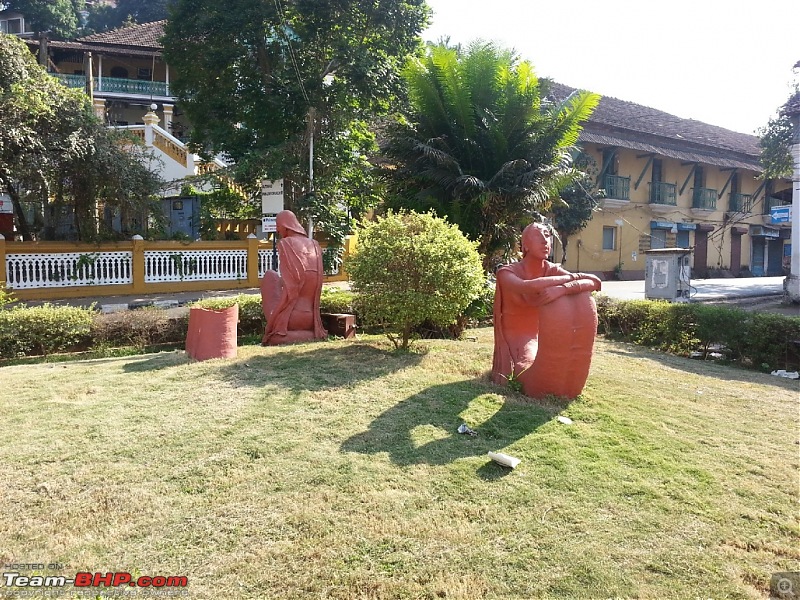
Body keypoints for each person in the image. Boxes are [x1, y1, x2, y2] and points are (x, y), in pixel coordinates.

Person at [492, 223, 602, 398]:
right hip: (517, 341)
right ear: (525, 245)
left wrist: (563, 289)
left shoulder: (552, 270)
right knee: (524, 369)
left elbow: (595, 282)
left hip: (541, 337)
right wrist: (574, 278)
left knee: (581, 295)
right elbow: (527, 286)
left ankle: (567, 381)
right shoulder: (506, 272)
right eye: (538, 236)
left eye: (548, 235)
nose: (545, 241)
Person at [261, 210, 327, 345]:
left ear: (285, 225)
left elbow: (290, 292)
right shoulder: (315, 245)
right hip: (312, 320)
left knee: (270, 276)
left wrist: (273, 324)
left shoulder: (285, 244)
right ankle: (309, 335)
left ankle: (284, 335)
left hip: (291, 319)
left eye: (278, 226)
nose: (277, 230)